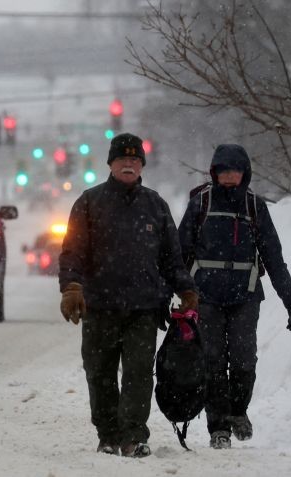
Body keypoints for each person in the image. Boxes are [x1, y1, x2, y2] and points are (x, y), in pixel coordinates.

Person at [58, 132, 198, 458]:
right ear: (111, 164)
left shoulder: (156, 206)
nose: (129, 164)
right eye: (123, 159)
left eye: (135, 160)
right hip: (99, 305)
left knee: (138, 373)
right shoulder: (89, 203)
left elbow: (172, 260)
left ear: (142, 166)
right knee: (100, 372)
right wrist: (72, 287)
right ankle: (108, 433)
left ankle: (134, 435)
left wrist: (187, 289)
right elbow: (72, 252)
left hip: (144, 307)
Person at [178, 144, 291, 450]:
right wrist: (173, 294)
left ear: (244, 174)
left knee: (245, 358)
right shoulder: (201, 203)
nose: (230, 177)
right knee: (213, 361)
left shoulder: (255, 207)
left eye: (235, 171)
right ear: (215, 173)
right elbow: (179, 253)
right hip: (206, 294)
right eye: (224, 171)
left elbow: (273, 258)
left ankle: (238, 412)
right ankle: (218, 426)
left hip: (244, 295)